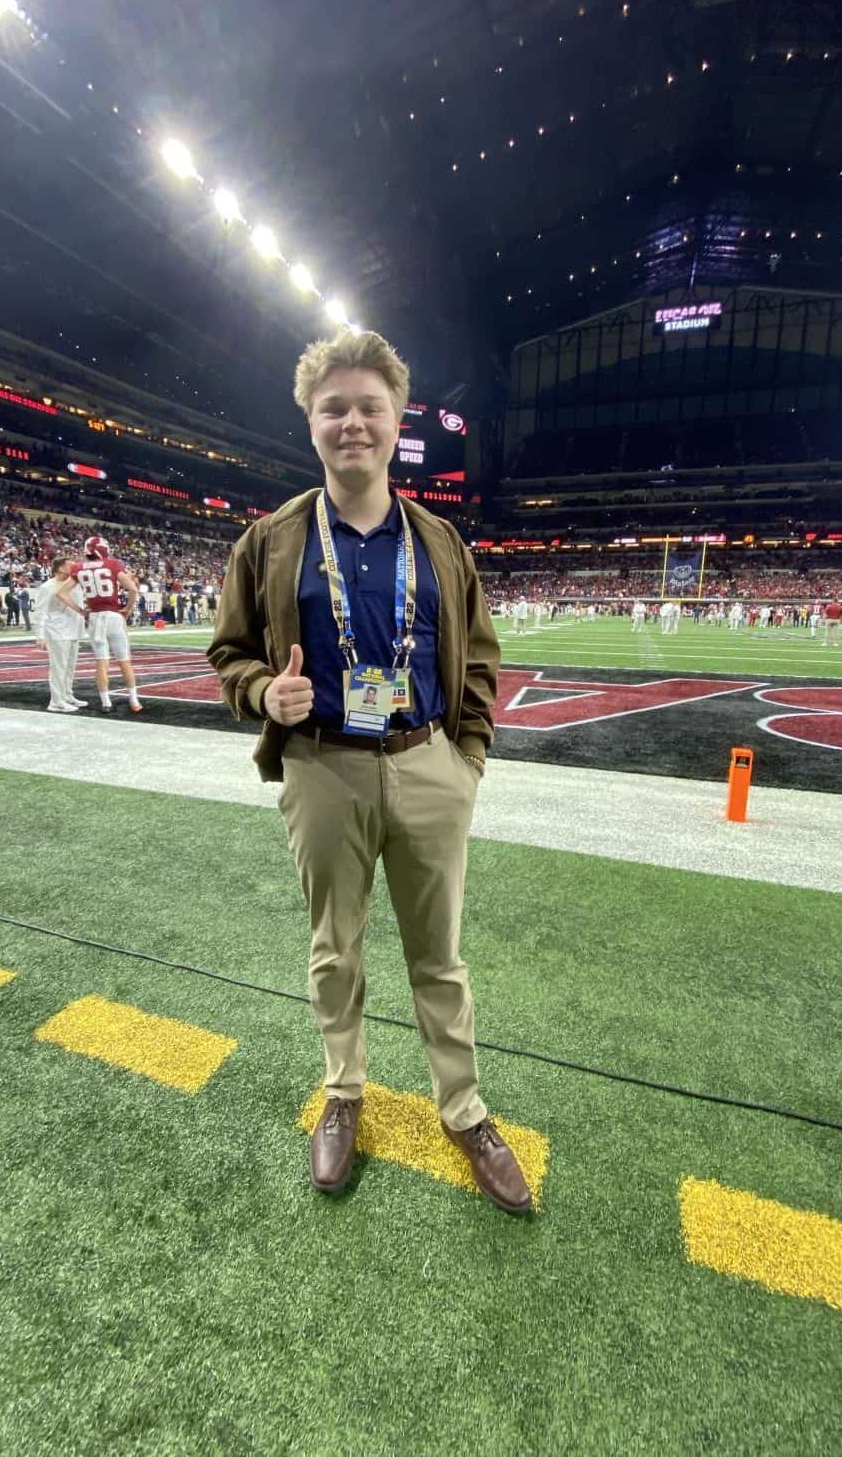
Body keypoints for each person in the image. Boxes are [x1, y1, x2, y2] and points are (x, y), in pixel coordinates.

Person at [207, 327, 531, 1215]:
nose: (353, 422)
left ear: (396, 422)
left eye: (370, 408)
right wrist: (261, 693)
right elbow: (229, 651)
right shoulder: (270, 540)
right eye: (334, 409)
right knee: (333, 949)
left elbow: (480, 657)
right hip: (322, 770)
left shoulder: (439, 540)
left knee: (441, 957)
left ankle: (463, 1109)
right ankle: (344, 1092)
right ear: (310, 424)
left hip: (427, 760)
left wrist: (467, 756)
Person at [70, 536, 143, 714]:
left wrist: (80, 610)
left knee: (101, 662)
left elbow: (60, 593)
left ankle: (106, 702)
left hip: (94, 618)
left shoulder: (78, 567)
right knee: (124, 661)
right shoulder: (112, 564)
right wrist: (127, 609)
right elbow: (133, 588)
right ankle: (134, 700)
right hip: (113, 616)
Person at [32, 556, 89, 712]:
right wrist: (40, 635)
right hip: (57, 630)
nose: (74, 566)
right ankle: (55, 701)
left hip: (74, 630)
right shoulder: (47, 587)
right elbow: (40, 612)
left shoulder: (75, 585)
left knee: (70, 666)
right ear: (60, 568)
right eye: (70, 565)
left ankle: (67, 695)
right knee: (58, 667)